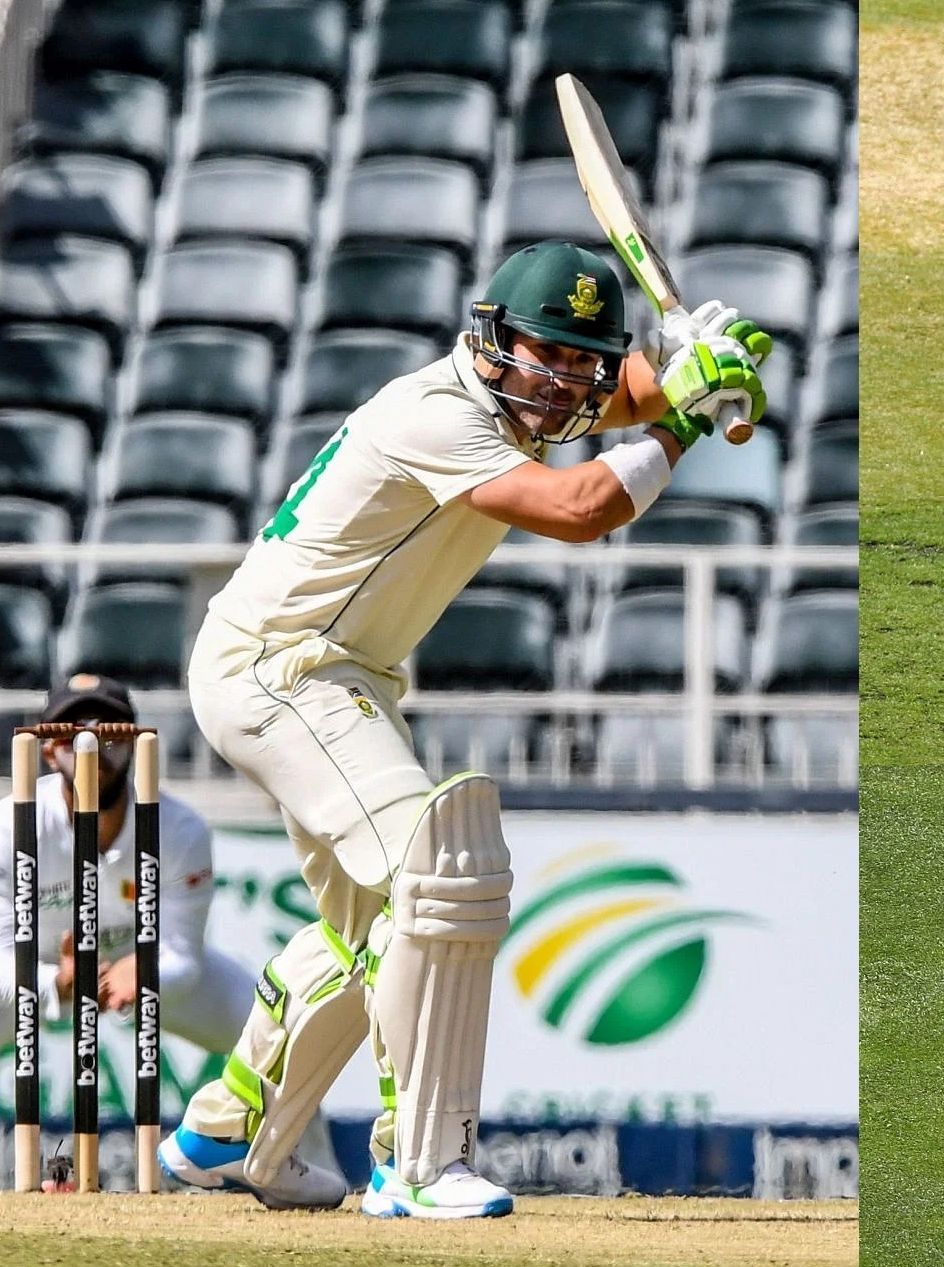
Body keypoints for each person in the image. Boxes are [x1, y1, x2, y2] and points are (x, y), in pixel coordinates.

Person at [156, 240, 771, 1215]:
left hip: (322, 672)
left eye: (581, 361)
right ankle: (415, 1163)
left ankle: (221, 1131)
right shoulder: (436, 413)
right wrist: (687, 415)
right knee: (437, 879)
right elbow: (581, 506)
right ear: (490, 342)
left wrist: (697, 359)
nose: (559, 380)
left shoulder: (518, 401)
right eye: (542, 353)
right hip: (283, 666)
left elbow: (618, 399)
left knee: (364, 934)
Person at [0, 675, 253, 1061]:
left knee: (269, 1029)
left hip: (140, 963)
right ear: (50, 751)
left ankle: (300, 1123)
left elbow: (183, 957)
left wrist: (144, 971)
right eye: (75, 735)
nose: (93, 747)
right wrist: (56, 981)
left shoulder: (179, 829)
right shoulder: (10, 826)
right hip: (40, 969)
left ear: (135, 743)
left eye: (108, 733)